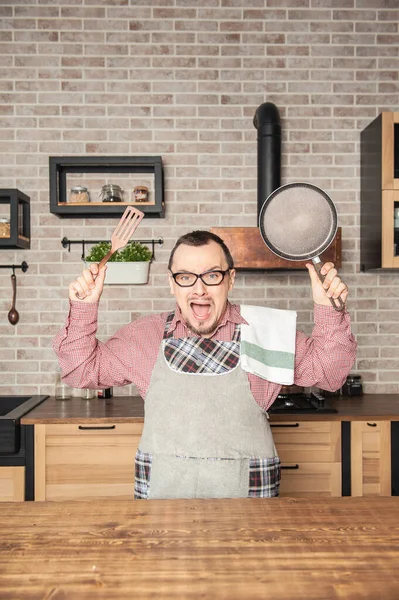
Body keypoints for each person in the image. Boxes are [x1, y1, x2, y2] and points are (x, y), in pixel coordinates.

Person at [53, 230, 356, 500]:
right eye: (185, 276)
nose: (199, 290)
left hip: (250, 516)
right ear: (172, 283)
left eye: (212, 275)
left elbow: (329, 375)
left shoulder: (266, 332)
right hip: (162, 510)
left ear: (230, 279)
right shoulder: (144, 337)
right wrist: (84, 307)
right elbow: (81, 370)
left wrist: (328, 310)